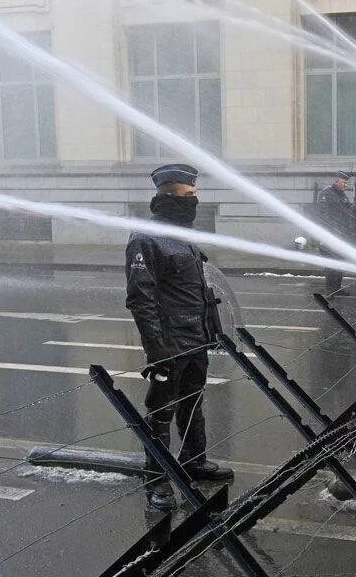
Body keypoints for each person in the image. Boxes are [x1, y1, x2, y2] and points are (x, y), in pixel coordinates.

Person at [125, 164, 234, 512]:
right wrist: (157, 350)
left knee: (193, 403)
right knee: (161, 412)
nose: (194, 200)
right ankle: (157, 481)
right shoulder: (146, 237)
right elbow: (141, 299)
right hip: (170, 343)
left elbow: (199, 290)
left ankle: (193, 460)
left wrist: (212, 331)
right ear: (169, 195)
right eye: (189, 195)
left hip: (196, 338)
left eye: (195, 195)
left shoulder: (183, 235)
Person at [316, 171, 353, 294]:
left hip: (341, 236)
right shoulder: (326, 194)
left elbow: (349, 210)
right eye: (344, 182)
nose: (345, 185)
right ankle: (330, 289)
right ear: (336, 181)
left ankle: (337, 288)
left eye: (346, 183)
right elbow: (323, 215)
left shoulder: (342, 195)